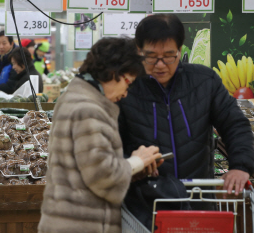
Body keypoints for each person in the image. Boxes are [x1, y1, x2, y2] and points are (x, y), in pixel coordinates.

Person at [118, 14, 254, 196]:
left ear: (180, 50)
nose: (160, 65)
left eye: (168, 56)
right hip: (144, 203)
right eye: (151, 57)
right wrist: (130, 164)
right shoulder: (126, 88)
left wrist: (241, 166)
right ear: (139, 51)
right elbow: (110, 143)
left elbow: (235, 125)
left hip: (198, 198)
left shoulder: (205, 81)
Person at [39, 37, 162, 233]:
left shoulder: (75, 97)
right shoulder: (89, 109)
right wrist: (138, 160)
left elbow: (85, 167)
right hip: (82, 224)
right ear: (114, 73)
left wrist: (134, 169)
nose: (126, 92)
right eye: (128, 82)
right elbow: (102, 175)